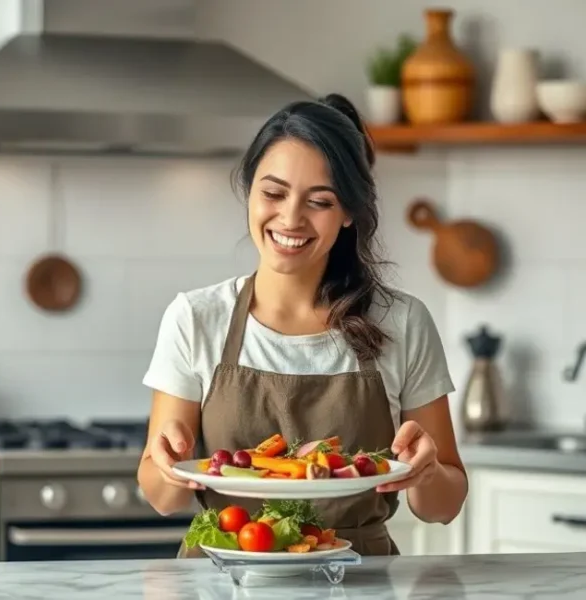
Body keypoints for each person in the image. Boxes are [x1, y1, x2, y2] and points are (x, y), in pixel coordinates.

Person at [137, 93, 468, 557]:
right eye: (273, 193)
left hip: (357, 582)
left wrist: (428, 473)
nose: (290, 218)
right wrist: (168, 465)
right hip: (226, 581)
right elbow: (161, 495)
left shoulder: (402, 322)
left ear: (349, 212)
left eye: (319, 201)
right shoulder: (195, 318)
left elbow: (444, 506)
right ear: (249, 191)